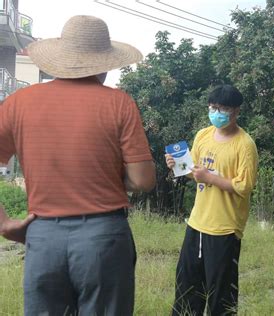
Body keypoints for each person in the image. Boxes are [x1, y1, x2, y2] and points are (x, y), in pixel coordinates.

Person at [0, 15, 155, 315]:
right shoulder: (119, 103)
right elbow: (142, 179)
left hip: (42, 237)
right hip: (103, 238)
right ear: (105, 64)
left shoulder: (19, 103)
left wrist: (4, 223)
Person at [166, 85, 258, 315]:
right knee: (186, 286)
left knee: (221, 293)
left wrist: (209, 177)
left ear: (236, 111)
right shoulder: (203, 135)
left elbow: (244, 186)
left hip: (225, 228)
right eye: (213, 107)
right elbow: (194, 171)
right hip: (197, 222)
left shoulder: (245, 145)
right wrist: (177, 166)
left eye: (223, 108)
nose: (217, 112)